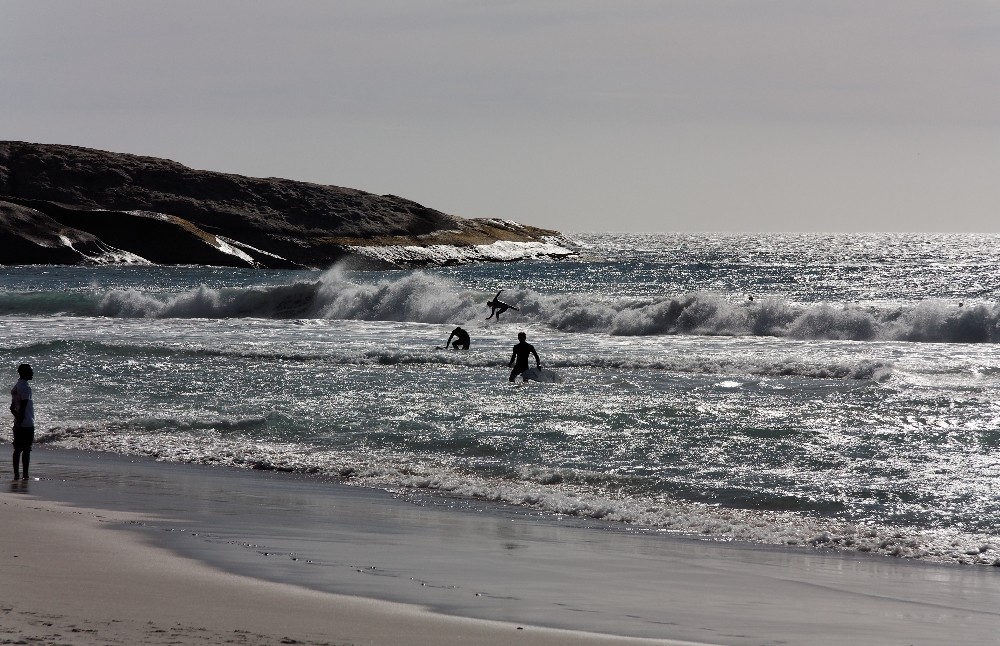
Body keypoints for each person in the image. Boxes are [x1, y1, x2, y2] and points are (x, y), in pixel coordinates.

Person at [9, 363, 34, 480]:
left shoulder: (16, 387)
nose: (32, 373)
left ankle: (16, 475)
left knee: (17, 449)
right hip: (27, 423)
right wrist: (21, 419)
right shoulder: (26, 388)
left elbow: (12, 408)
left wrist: (17, 420)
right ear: (24, 372)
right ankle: (25, 475)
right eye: (30, 371)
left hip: (18, 423)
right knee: (27, 450)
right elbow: (23, 407)